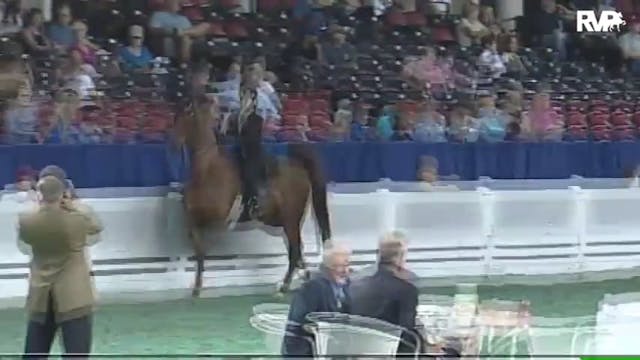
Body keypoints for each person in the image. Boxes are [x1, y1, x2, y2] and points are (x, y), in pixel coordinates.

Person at [17, 175, 102, 357]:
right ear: (64, 193)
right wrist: (72, 205)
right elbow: (96, 226)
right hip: (74, 295)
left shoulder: (27, 221)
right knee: (76, 352)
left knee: (35, 351)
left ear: (39, 195)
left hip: (41, 295)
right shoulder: (75, 220)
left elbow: (23, 241)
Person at [349, 231, 422, 356]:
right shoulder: (407, 290)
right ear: (400, 257)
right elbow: (407, 333)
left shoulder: (355, 286)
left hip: (359, 353)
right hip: (392, 353)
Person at [282, 242, 352, 357]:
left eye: (347, 265)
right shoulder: (311, 289)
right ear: (327, 268)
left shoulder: (348, 285)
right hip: (307, 352)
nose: (345, 271)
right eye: (339, 266)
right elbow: (297, 328)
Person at [237, 60, 269, 220]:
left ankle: (252, 199)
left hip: (253, 136)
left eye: (256, 74)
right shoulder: (233, 93)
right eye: (250, 74)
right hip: (234, 133)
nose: (253, 77)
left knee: (252, 158)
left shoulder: (264, 98)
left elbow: (274, 115)